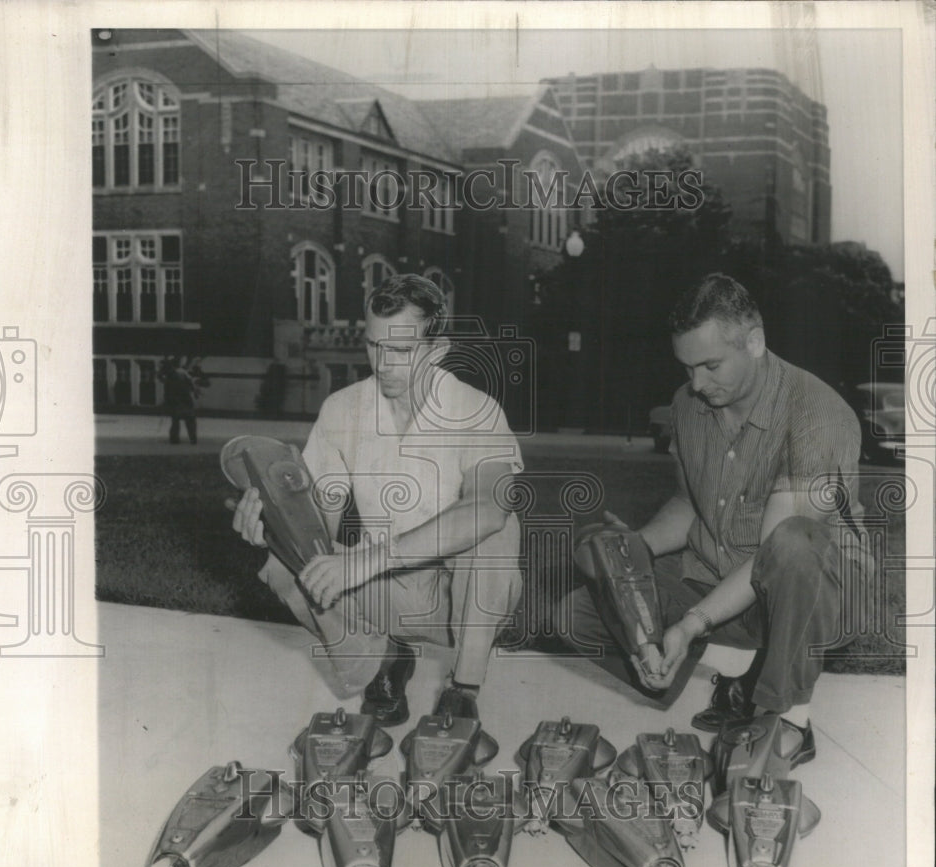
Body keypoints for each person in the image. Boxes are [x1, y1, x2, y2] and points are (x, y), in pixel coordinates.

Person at [561, 273, 873, 764]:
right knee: (578, 611)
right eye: (686, 369)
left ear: (755, 341)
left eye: (710, 366)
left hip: (809, 592)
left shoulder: (818, 413)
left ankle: (785, 716)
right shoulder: (688, 405)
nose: (696, 385)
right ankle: (730, 673)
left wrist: (691, 623)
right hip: (718, 574)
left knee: (794, 542)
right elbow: (689, 505)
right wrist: (631, 550)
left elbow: (779, 553)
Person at [232, 274, 524, 724]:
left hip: (462, 602)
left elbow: (488, 508)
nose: (383, 363)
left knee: (497, 531)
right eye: (373, 345)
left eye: (402, 350)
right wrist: (273, 527)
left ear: (437, 349)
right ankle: (380, 663)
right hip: (382, 597)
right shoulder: (342, 408)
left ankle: (463, 689)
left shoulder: (477, 410)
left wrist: (372, 559)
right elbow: (317, 525)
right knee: (283, 562)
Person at [162, 356, 207, 444]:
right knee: (190, 420)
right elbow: (191, 385)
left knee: (175, 421)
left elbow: (166, 390)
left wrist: (167, 402)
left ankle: (174, 440)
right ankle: (193, 439)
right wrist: (196, 392)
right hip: (185, 400)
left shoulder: (170, 375)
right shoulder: (184, 374)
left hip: (175, 401)